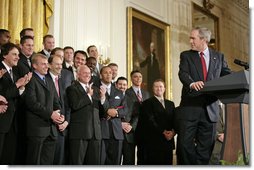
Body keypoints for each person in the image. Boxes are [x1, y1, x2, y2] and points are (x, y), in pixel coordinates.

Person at [176, 26, 231, 165]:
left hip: (210, 110)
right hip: (190, 108)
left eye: (193, 38)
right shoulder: (186, 55)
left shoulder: (219, 57)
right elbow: (183, 74)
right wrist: (192, 83)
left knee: (206, 149)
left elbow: (226, 75)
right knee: (184, 146)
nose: (190, 41)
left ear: (203, 40)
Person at [24, 53, 64, 165]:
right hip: (37, 129)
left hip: (51, 129)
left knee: (47, 162)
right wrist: (51, 114)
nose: (47, 66)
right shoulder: (30, 79)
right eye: (43, 64)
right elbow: (31, 103)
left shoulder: (49, 79)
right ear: (34, 65)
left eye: (47, 64)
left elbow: (56, 101)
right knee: (34, 162)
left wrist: (60, 114)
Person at [0, 42, 31, 164]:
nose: (18, 57)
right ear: (4, 55)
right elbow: (3, 95)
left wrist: (22, 87)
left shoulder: (15, 71)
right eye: (14, 54)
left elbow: (16, 95)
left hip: (13, 119)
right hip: (2, 118)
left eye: (18, 54)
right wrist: (18, 84)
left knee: (9, 154)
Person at [66, 65, 102, 165]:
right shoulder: (72, 89)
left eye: (89, 73)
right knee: (77, 163)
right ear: (78, 75)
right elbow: (75, 105)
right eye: (84, 73)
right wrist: (88, 95)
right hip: (80, 133)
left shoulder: (95, 89)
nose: (88, 75)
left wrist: (103, 99)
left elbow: (100, 112)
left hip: (95, 133)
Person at [138, 79, 175, 165]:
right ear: (152, 88)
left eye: (161, 86)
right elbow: (150, 120)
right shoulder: (147, 103)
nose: (159, 88)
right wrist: (163, 131)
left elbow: (175, 120)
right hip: (154, 142)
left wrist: (173, 132)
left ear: (164, 88)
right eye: (156, 86)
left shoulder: (171, 104)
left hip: (168, 141)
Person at [99, 66, 127, 165]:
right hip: (102, 131)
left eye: (110, 72)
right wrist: (107, 111)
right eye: (106, 72)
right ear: (100, 75)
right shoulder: (95, 89)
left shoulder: (119, 92)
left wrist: (116, 113)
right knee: (101, 162)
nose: (108, 74)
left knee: (116, 162)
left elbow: (125, 109)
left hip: (117, 132)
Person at [123, 70, 150, 165]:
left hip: (144, 131)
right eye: (135, 76)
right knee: (129, 159)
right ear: (131, 79)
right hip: (130, 130)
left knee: (143, 158)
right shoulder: (126, 93)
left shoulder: (146, 93)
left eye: (140, 77)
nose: (138, 79)